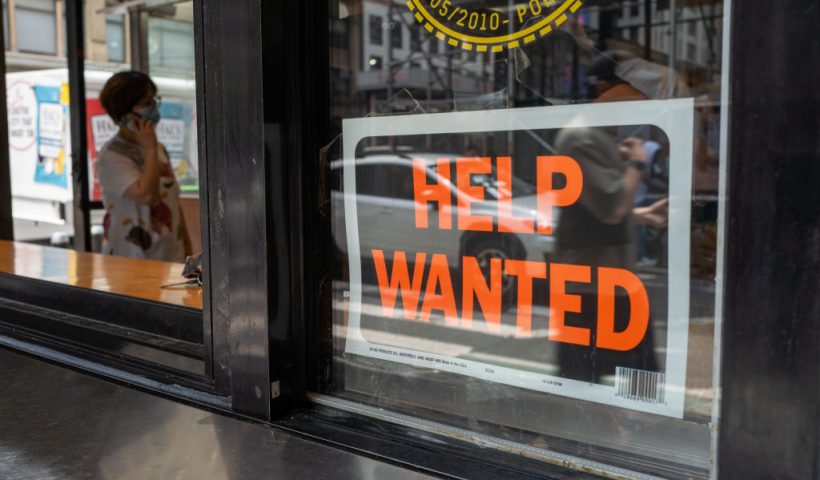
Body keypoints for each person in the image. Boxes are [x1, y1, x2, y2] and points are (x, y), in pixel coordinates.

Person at [97, 71, 192, 262]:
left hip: (170, 254)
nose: (153, 108)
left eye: (153, 101)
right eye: (145, 103)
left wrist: (188, 247)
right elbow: (147, 195)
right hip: (131, 260)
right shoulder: (112, 156)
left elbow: (172, 201)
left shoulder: (159, 149)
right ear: (124, 113)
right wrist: (149, 148)